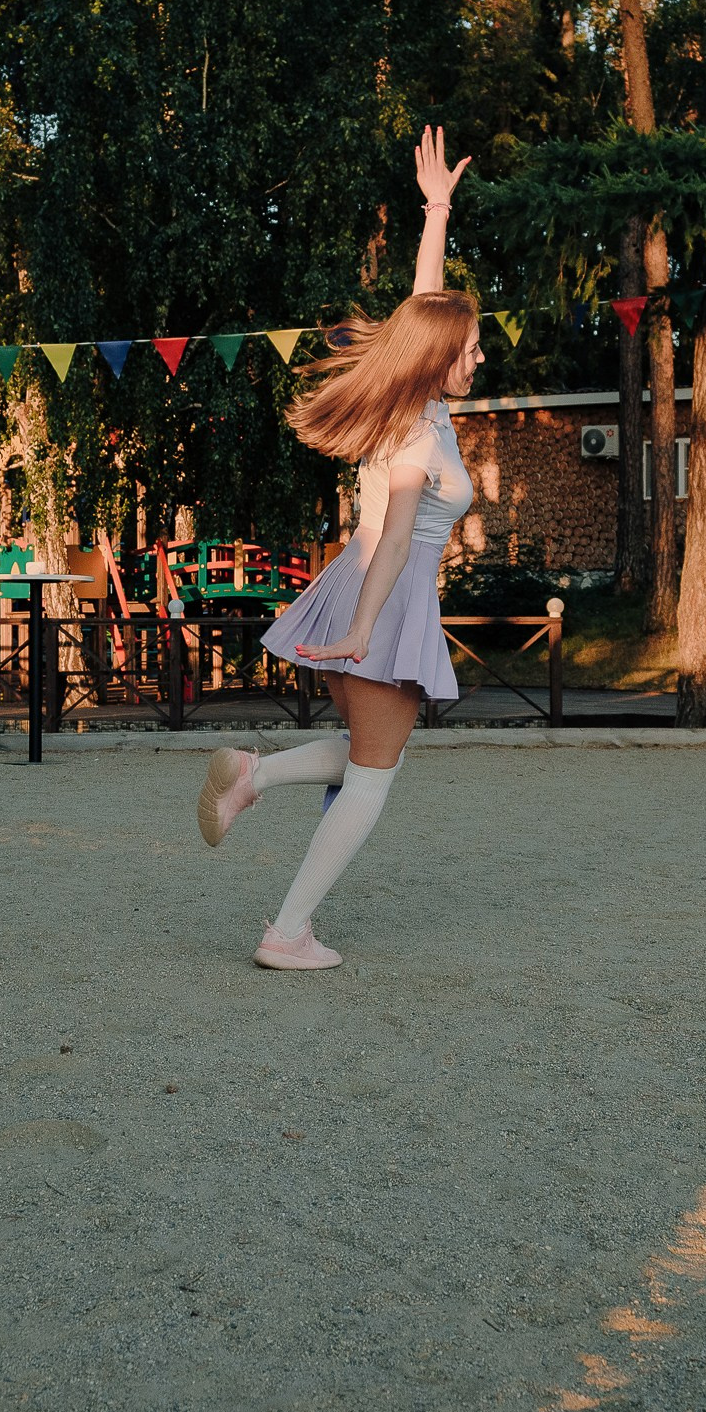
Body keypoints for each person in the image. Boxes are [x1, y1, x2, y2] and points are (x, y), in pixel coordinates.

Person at [202, 127, 481, 970]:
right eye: (469, 349)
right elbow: (397, 537)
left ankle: (253, 775)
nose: (478, 354)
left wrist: (436, 212)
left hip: (362, 587)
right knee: (372, 779)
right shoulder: (419, 443)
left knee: (370, 751)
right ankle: (286, 932)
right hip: (382, 597)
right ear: (438, 361)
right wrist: (364, 629)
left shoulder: (414, 404)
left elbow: (423, 309)